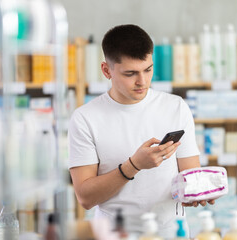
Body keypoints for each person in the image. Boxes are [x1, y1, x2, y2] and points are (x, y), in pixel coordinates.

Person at [68, 24, 214, 238]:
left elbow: (189, 175)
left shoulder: (175, 107)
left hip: (169, 232)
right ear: (106, 70)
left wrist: (198, 192)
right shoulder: (85, 118)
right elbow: (86, 198)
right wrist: (133, 166)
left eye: (148, 69)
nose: (142, 81)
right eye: (131, 73)